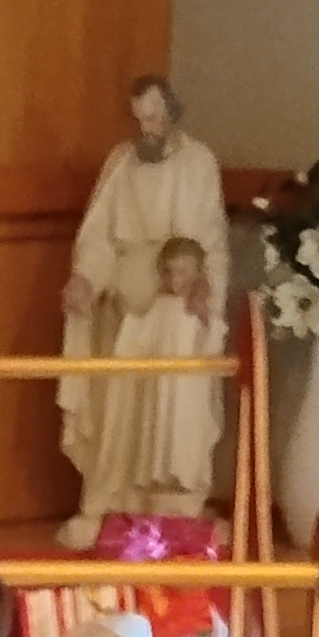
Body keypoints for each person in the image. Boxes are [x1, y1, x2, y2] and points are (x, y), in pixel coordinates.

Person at [58, 72, 230, 543]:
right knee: (120, 402)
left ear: (172, 112)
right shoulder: (122, 163)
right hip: (130, 298)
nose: (147, 129)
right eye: (139, 120)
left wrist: (204, 289)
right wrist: (85, 278)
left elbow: (211, 240)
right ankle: (112, 501)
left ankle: (174, 503)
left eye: (155, 117)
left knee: (176, 394)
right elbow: (98, 237)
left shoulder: (199, 164)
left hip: (178, 304)